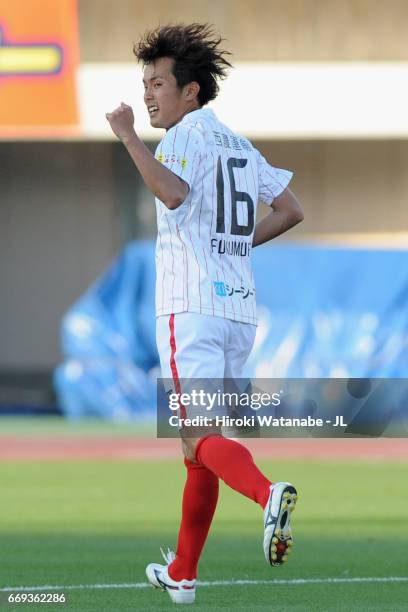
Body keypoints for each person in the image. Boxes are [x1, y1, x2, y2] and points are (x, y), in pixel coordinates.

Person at [106, 23, 304, 605]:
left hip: (190, 305)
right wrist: (237, 245)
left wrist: (127, 137)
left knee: (197, 434)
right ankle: (184, 574)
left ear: (190, 91)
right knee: (196, 446)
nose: (147, 95)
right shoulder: (239, 144)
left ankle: (269, 494)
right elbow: (290, 209)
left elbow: (171, 194)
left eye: (158, 82)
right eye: (144, 83)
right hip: (237, 309)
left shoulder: (183, 138)